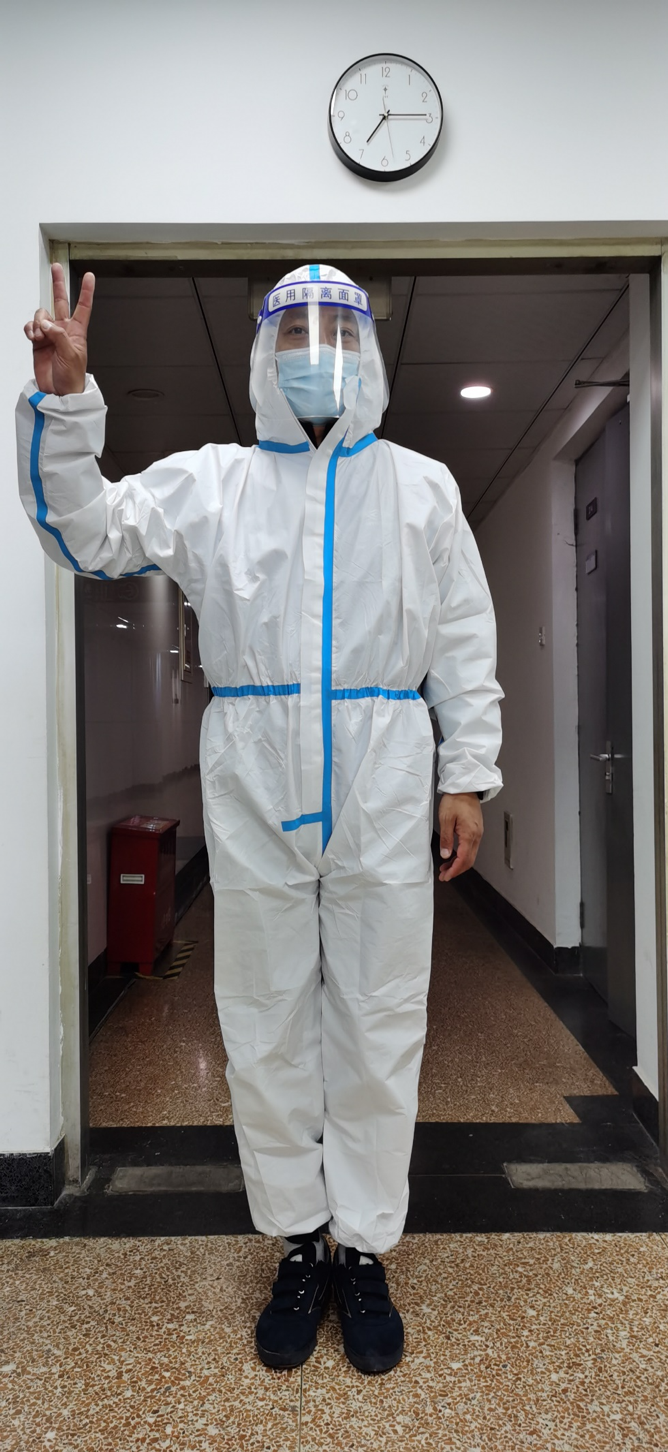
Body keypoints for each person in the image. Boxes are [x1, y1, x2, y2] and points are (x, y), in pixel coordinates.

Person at [17, 262, 502, 1376]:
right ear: (262, 351)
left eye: (337, 328)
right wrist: (66, 405)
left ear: (366, 350)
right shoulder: (213, 483)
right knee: (264, 1017)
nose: (315, 349)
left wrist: (465, 774)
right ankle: (296, 1240)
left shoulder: (422, 488)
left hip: (387, 770)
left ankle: (361, 1247)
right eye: (293, 329)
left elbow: (465, 637)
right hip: (253, 773)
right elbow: (84, 531)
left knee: (381, 1017)